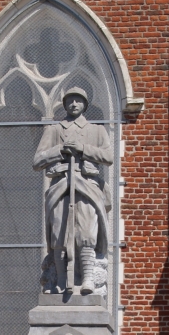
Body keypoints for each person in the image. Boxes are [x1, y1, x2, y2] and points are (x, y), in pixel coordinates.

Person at [33, 86, 112, 294]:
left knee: (86, 233)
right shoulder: (55, 130)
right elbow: (38, 160)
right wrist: (60, 150)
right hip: (61, 186)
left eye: (78, 100)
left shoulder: (96, 130)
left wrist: (83, 149)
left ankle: (87, 280)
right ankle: (59, 281)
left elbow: (108, 157)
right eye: (70, 100)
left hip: (87, 186)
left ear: (85, 104)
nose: (73, 104)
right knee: (59, 234)